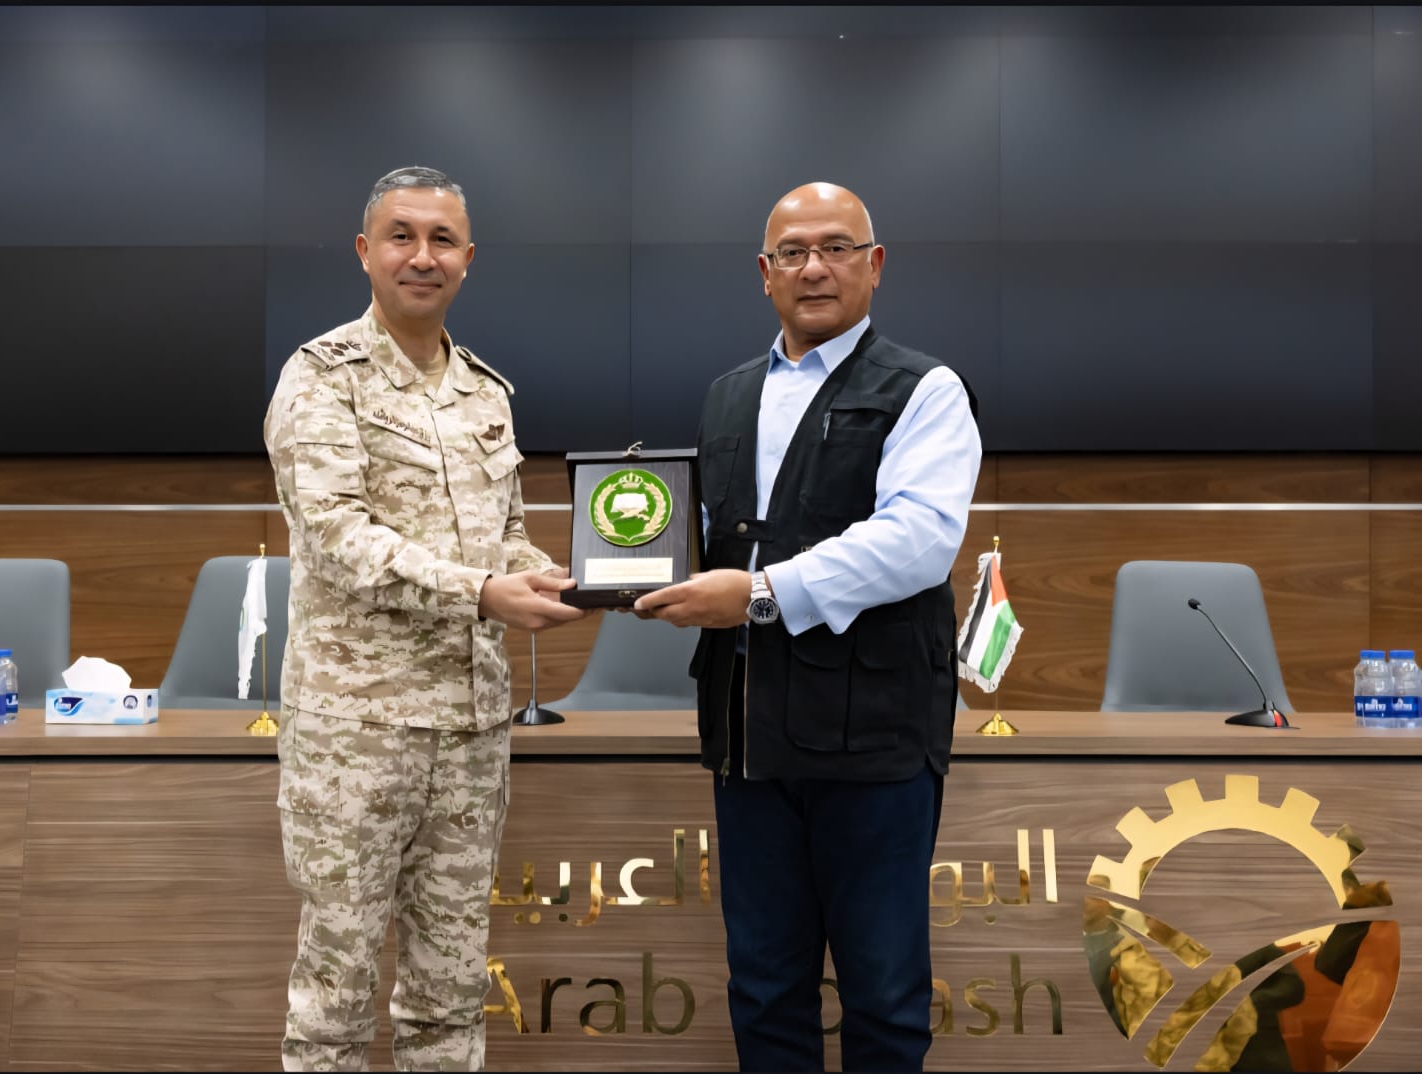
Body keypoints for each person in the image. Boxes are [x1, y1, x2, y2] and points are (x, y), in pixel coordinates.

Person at [635, 181, 982, 1072]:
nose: (814, 268)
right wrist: (617, 573)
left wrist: (756, 594)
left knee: (885, 996)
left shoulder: (925, 390)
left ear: (875, 264)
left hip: (875, 743)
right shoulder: (727, 396)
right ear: (765, 273)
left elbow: (916, 542)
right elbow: (700, 538)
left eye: (836, 247)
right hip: (749, 741)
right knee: (763, 990)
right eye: (793, 252)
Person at [264, 165, 585, 1071]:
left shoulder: (486, 393)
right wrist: (483, 592)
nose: (422, 256)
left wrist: (559, 578)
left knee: (450, 995)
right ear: (365, 251)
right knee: (335, 996)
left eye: (442, 239)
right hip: (356, 734)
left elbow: (505, 534)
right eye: (401, 236)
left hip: (470, 730)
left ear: (468, 258)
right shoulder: (320, 379)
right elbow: (337, 538)